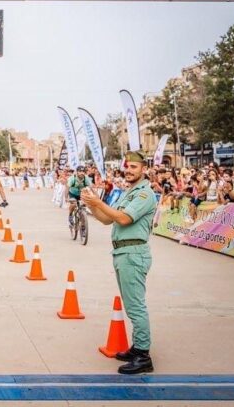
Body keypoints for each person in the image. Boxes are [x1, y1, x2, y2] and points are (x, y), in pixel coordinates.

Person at [81, 151, 155, 375]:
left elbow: (123, 219)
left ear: (144, 169)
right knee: (131, 303)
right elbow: (106, 219)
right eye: (127, 167)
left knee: (135, 306)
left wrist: (97, 202)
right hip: (123, 252)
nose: (129, 170)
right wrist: (93, 203)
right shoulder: (129, 192)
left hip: (133, 252)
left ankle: (143, 355)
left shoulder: (144, 194)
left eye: (134, 167)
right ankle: (137, 348)